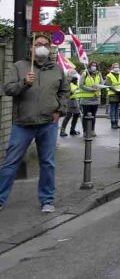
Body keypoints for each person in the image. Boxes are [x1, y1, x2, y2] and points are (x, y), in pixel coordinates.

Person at [0, 33, 69, 213]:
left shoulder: (56, 69)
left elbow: (64, 91)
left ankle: (47, 200)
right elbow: (7, 89)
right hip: (23, 123)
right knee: (10, 162)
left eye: (46, 45)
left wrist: (59, 110)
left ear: (50, 48)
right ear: (31, 47)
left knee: (47, 163)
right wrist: (24, 83)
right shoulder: (19, 66)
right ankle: (0, 198)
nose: (42, 47)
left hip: (48, 123)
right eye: (38, 44)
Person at [74, 60, 103, 137]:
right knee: (86, 116)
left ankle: (92, 130)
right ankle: (85, 131)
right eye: (92, 65)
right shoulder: (85, 73)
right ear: (89, 66)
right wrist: (91, 89)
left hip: (95, 99)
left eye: (95, 65)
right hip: (86, 100)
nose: (94, 67)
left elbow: (102, 83)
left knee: (93, 116)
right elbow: (81, 85)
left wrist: (98, 86)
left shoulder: (98, 74)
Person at [59, 71, 82, 138]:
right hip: (69, 100)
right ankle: (62, 131)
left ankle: (72, 130)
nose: (75, 74)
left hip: (75, 100)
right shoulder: (67, 81)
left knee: (76, 114)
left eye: (75, 73)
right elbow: (65, 90)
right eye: (73, 73)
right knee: (68, 116)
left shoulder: (76, 81)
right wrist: (70, 92)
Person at [106, 62, 120, 129]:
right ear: (112, 68)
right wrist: (116, 90)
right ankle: (113, 123)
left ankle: (116, 122)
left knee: (117, 109)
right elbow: (109, 85)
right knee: (113, 109)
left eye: (117, 67)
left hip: (119, 94)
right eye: (115, 67)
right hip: (112, 94)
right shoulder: (109, 75)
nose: (116, 68)